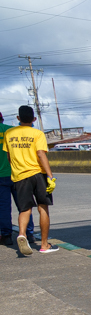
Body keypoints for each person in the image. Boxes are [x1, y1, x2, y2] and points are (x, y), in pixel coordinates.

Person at [2, 106, 55, 255]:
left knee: (25, 209)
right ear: (34, 119)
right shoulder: (37, 133)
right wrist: (50, 175)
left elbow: (9, 157)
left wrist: (16, 170)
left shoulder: (9, 133)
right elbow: (40, 154)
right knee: (43, 207)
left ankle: (22, 234)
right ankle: (44, 245)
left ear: (18, 118)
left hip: (20, 175)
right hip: (38, 174)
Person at [0, 112, 34, 247]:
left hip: (0, 176)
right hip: (18, 173)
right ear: (2, 119)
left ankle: (6, 236)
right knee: (24, 206)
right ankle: (29, 234)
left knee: (3, 207)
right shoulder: (12, 130)